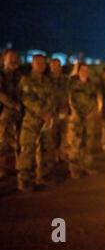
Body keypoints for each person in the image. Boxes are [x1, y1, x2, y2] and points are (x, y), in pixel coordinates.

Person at [16, 54, 55, 191]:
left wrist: (49, 113)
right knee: (28, 150)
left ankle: (43, 176)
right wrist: (43, 113)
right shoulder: (26, 80)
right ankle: (24, 180)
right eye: (38, 63)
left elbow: (52, 98)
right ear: (32, 64)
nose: (41, 65)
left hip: (46, 121)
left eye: (43, 63)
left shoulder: (47, 81)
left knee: (46, 148)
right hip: (31, 121)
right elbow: (27, 100)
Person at [67, 63, 102, 179]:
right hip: (76, 118)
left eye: (87, 70)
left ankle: (87, 167)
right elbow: (70, 100)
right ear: (78, 71)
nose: (84, 72)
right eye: (82, 70)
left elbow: (94, 99)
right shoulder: (72, 83)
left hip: (89, 117)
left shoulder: (91, 84)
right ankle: (75, 169)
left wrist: (92, 112)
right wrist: (77, 114)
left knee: (88, 142)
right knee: (75, 144)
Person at [0, 50, 22, 179]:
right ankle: (2, 168)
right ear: (4, 59)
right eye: (10, 58)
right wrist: (13, 104)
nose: (13, 60)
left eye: (15, 58)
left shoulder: (19, 75)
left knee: (18, 140)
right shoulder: (2, 74)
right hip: (5, 113)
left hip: (18, 113)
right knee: (3, 142)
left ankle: (16, 166)